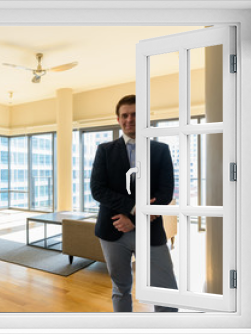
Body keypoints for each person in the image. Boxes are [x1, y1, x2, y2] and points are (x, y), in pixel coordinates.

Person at [90, 94, 178, 312]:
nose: (130, 119)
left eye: (135, 114)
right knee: (120, 289)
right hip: (112, 231)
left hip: (150, 231)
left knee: (165, 291)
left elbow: (166, 192)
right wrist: (134, 207)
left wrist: (135, 220)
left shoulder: (161, 150)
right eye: (125, 115)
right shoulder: (104, 150)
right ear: (118, 119)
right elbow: (98, 189)